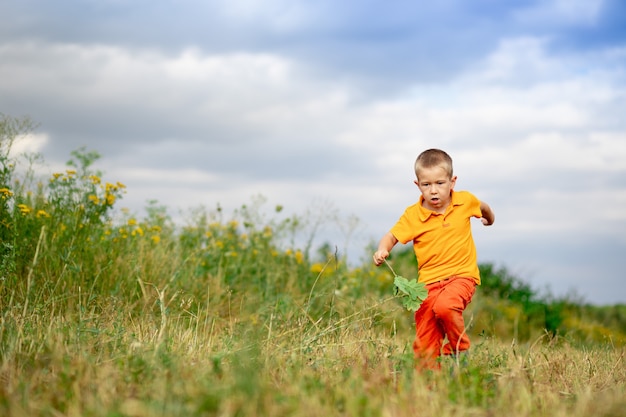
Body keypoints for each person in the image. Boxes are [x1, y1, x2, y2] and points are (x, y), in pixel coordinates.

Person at [373, 148, 495, 370]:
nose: (434, 190)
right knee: (425, 343)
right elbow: (391, 236)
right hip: (427, 286)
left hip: (461, 277)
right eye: (426, 185)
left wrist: (490, 219)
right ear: (417, 185)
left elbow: (483, 207)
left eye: (440, 183)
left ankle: (460, 349)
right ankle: (430, 387)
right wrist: (382, 250)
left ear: (452, 182)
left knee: (445, 307)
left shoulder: (464, 201)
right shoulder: (413, 215)